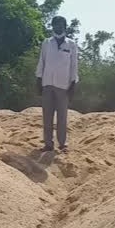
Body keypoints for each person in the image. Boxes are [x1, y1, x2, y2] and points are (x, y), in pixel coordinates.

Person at [35, 16, 79, 152]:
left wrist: (73, 84)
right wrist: (38, 80)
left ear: (65, 26)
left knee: (62, 116)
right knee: (47, 115)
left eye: (61, 24)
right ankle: (48, 144)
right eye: (55, 24)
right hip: (47, 83)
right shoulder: (47, 43)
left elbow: (74, 65)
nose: (58, 27)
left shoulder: (71, 44)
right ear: (52, 26)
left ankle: (62, 143)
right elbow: (42, 61)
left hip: (64, 85)